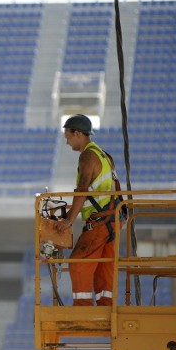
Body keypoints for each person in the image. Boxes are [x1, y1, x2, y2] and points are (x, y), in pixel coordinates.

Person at [54, 114, 123, 306]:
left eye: (68, 136)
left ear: (77, 133)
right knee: (104, 265)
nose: (67, 142)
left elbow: (82, 190)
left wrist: (68, 220)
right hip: (113, 218)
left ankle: (82, 309)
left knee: (78, 263)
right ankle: (106, 306)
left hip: (100, 220)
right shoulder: (104, 155)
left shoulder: (87, 156)